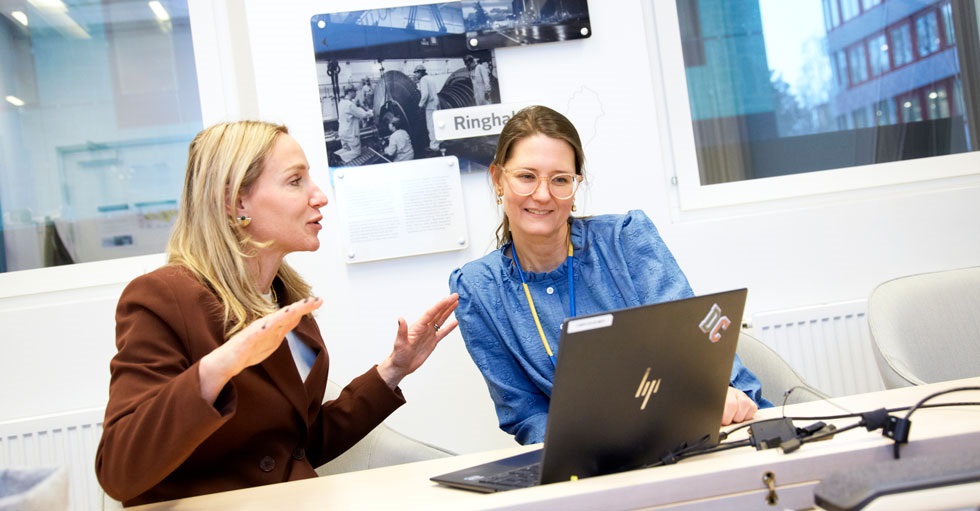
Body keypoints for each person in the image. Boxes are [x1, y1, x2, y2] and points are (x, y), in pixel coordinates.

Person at [96, 120, 459, 506]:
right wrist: (217, 370)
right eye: (295, 181)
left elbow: (296, 445)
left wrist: (393, 370)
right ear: (235, 202)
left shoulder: (287, 301)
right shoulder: (164, 296)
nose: (319, 196)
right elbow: (119, 471)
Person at [448, 106, 772, 445]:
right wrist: (575, 451)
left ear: (575, 188)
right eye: (526, 176)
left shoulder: (625, 240)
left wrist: (723, 391)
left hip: (702, 429)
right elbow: (524, 413)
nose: (542, 195)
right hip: (592, 462)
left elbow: (697, 339)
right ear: (498, 179)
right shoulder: (477, 289)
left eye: (560, 179)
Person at [336, 84, 373, 162]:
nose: (356, 93)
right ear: (349, 92)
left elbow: (355, 110)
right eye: (354, 92)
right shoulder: (350, 105)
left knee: (346, 149)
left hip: (342, 132)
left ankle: (334, 155)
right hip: (350, 133)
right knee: (356, 152)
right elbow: (362, 115)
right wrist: (372, 112)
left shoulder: (341, 103)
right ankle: (338, 158)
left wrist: (359, 107)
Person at [414, 64, 441, 152]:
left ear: (420, 72)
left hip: (429, 106)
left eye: (416, 73)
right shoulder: (431, 78)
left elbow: (425, 94)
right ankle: (440, 141)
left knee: (431, 126)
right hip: (436, 103)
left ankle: (434, 146)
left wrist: (420, 105)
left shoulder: (423, 79)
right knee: (437, 124)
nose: (415, 75)